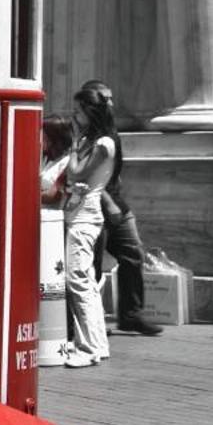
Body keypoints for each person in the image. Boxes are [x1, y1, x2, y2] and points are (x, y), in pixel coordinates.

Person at [70, 81, 165, 338]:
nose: (112, 103)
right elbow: (84, 179)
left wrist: (117, 198)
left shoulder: (110, 134)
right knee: (93, 264)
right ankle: (90, 320)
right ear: (94, 105)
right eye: (106, 98)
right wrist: (109, 202)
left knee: (133, 253)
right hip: (97, 205)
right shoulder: (85, 136)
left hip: (115, 203)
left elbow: (112, 174)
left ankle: (131, 315)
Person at [57, 83, 115, 368]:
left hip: (86, 216)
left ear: (90, 113)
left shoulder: (103, 144)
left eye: (78, 111)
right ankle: (97, 344)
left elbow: (77, 171)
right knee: (86, 282)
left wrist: (74, 146)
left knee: (78, 279)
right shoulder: (91, 142)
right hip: (78, 213)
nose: (74, 116)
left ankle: (88, 348)